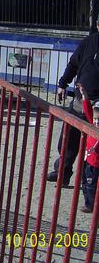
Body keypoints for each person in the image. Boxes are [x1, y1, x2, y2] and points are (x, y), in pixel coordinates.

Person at [47, 22, 99, 186]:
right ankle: (62, 173)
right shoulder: (89, 42)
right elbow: (73, 64)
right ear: (98, 25)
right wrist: (62, 84)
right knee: (67, 141)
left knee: (93, 148)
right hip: (79, 101)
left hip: (98, 108)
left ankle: (88, 186)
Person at [78, 83, 99, 213]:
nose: (97, 122)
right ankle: (88, 203)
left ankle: (91, 206)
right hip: (88, 161)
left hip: (96, 164)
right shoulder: (93, 125)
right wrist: (84, 95)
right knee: (85, 183)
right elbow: (88, 111)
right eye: (96, 119)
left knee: (91, 186)